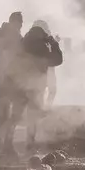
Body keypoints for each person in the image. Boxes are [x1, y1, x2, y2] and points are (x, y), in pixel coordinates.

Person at [10, 20, 65, 152]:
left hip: (20, 85)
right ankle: (30, 143)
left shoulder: (22, 42)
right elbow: (57, 60)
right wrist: (54, 42)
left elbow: (12, 62)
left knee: (15, 116)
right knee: (32, 116)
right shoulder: (44, 45)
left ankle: (7, 142)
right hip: (36, 86)